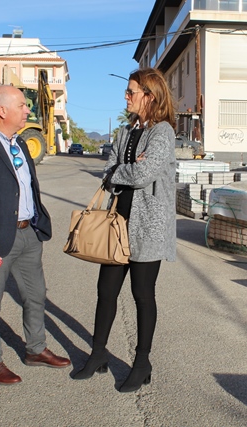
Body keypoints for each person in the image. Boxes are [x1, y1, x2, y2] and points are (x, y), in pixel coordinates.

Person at [71, 68, 177, 393]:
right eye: (128, 92)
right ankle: (98, 354)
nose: (126, 96)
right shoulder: (125, 131)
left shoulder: (163, 133)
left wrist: (122, 169)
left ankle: (142, 362)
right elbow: (107, 172)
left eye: (131, 92)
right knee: (106, 292)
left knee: (142, 296)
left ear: (150, 95)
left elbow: (144, 175)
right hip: (118, 223)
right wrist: (122, 169)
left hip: (148, 228)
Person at [0, 85, 70, 385]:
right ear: (2, 110)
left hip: (29, 233)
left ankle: (36, 349)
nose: (27, 110)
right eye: (21, 105)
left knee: (35, 296)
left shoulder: (20, 145)